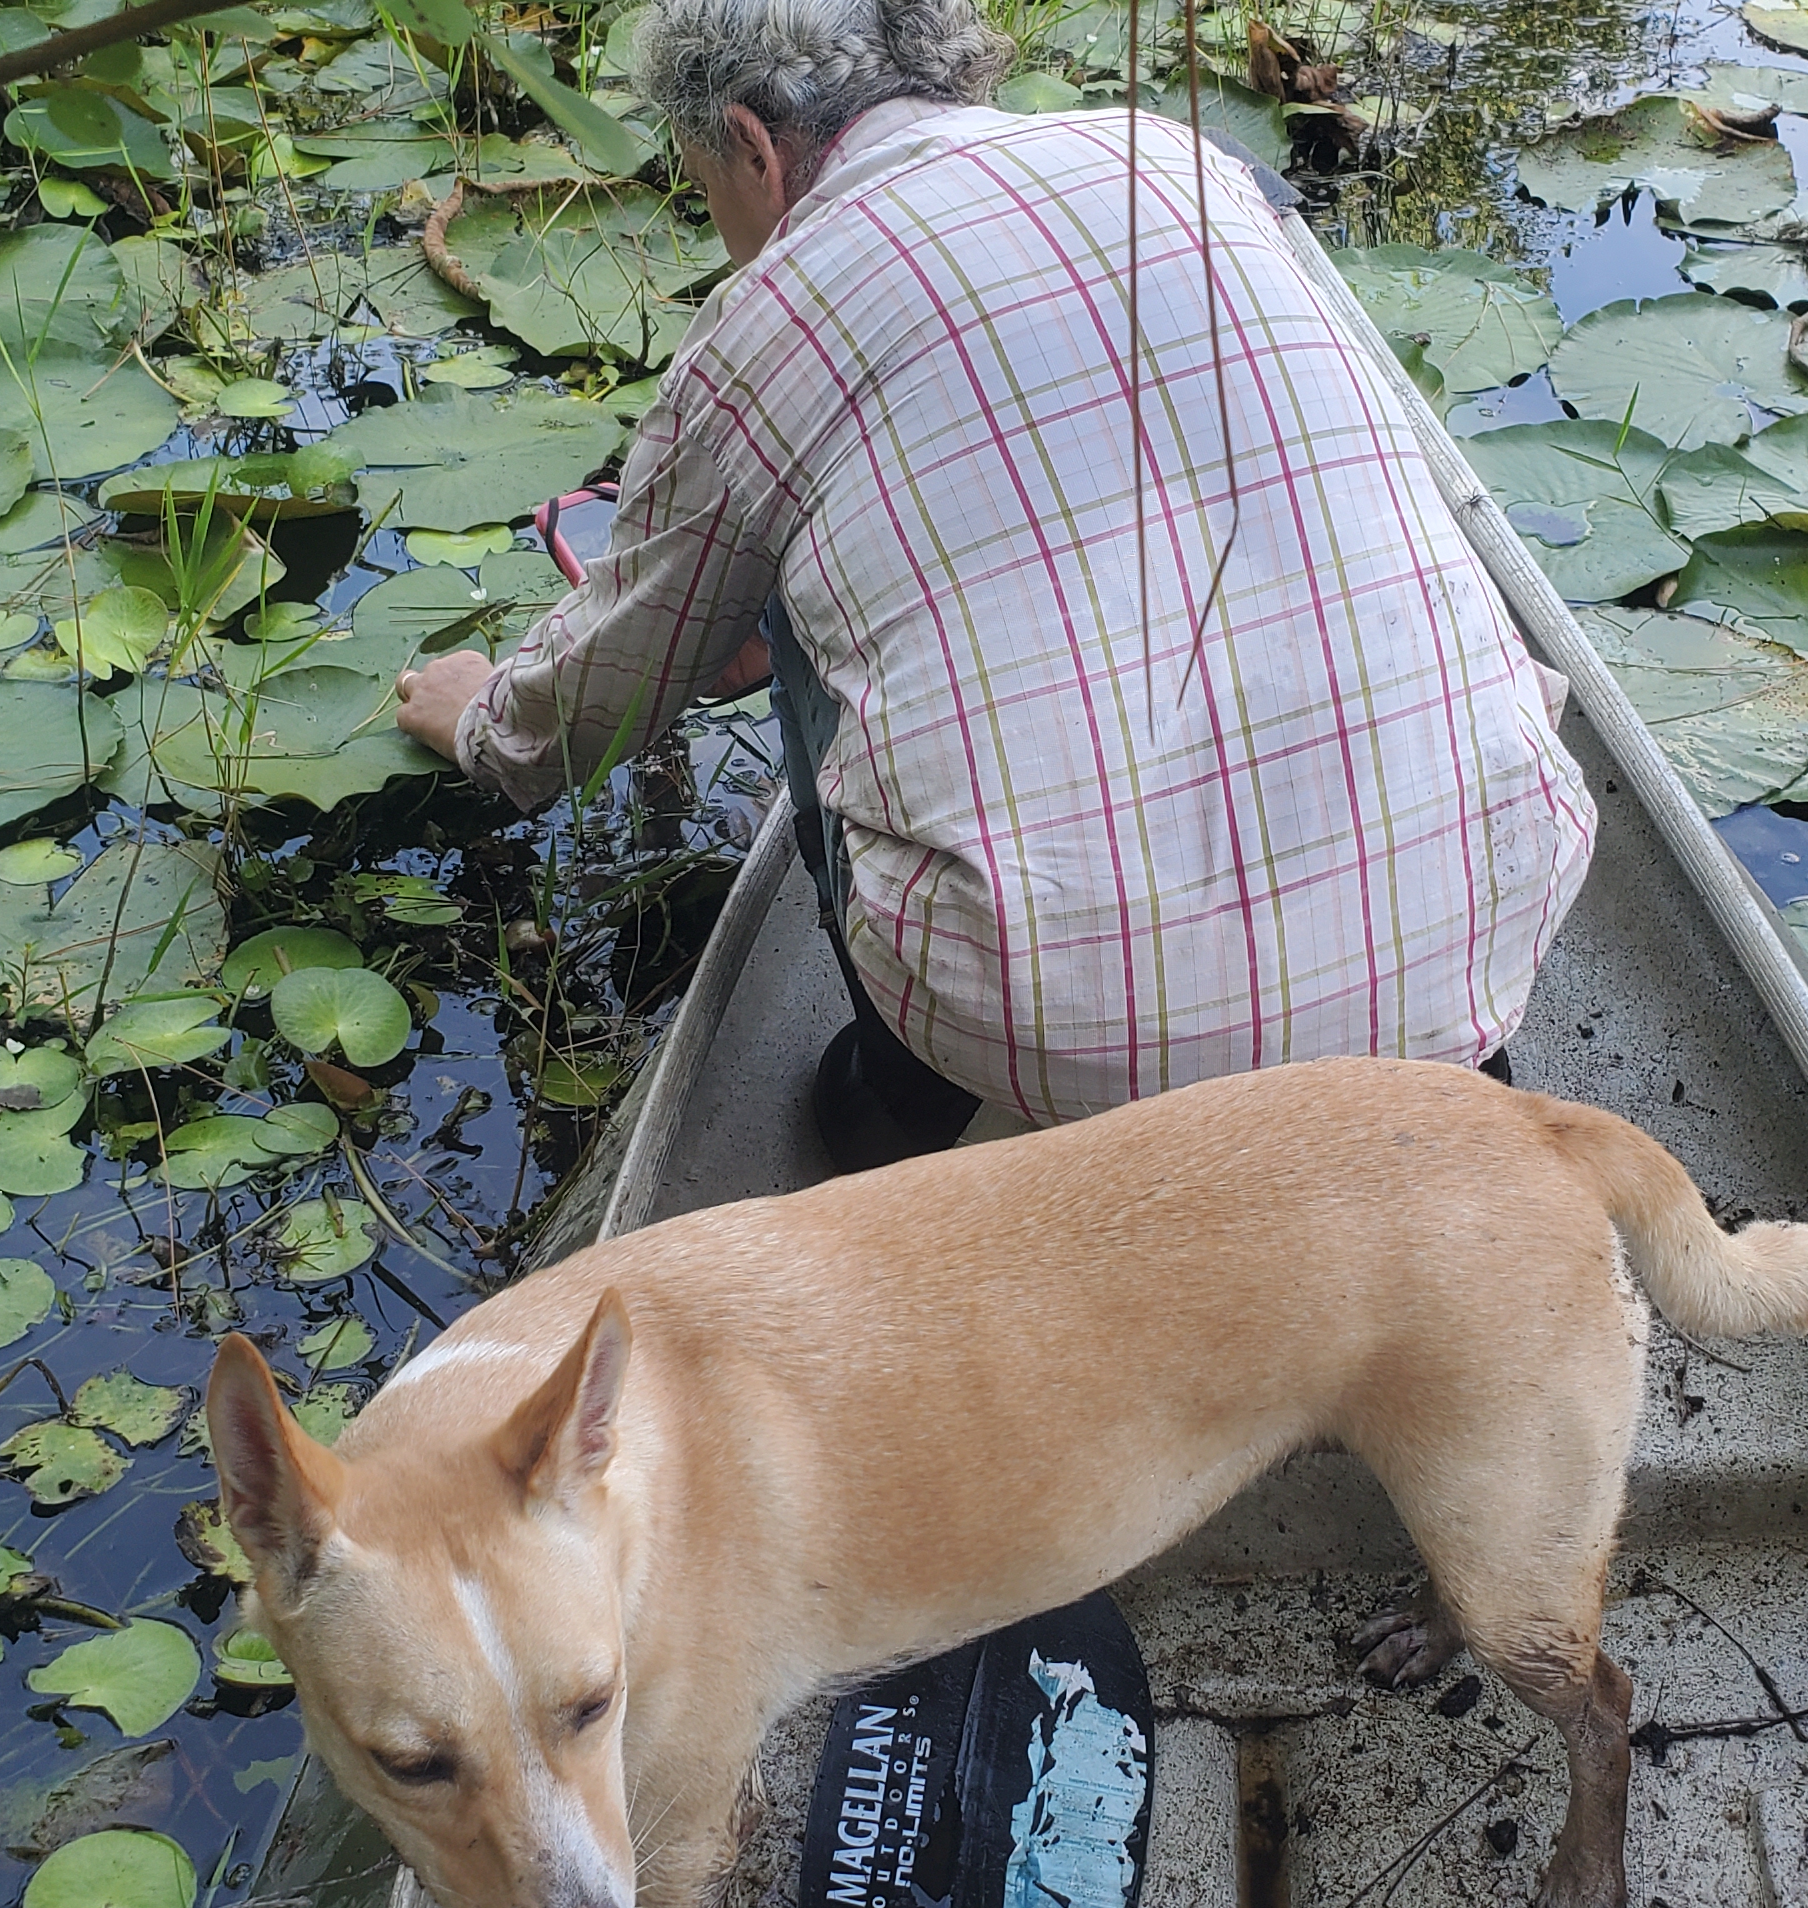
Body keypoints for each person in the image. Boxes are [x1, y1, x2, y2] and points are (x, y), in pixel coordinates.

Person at [391, 0, 1596, 1168]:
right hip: (1499, 901)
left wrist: (488, 724)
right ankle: (1437, 1043)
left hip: (1060, 1030)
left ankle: (907, 1105)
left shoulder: (766, 322)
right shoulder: (1179, 161)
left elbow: (611, 688)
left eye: (705, 185)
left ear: (750, 142)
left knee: (786, 590)